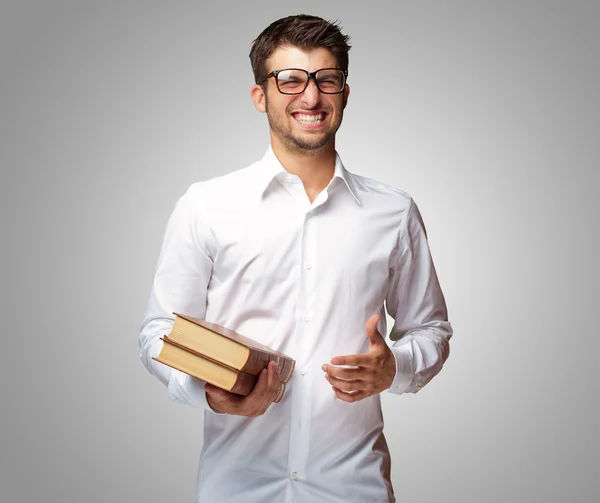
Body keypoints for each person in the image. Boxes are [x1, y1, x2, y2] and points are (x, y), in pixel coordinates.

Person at [139, 14, 453, 503]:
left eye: (327, 79)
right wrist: (206, 391)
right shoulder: (206, 206)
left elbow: (431, 329)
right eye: (290, 80)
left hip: (354, 487)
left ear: (344, 93)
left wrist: (397, 368)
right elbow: (158, 331)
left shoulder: (394, 212)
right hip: (236, 489)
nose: (310, 97)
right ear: (260, 96)